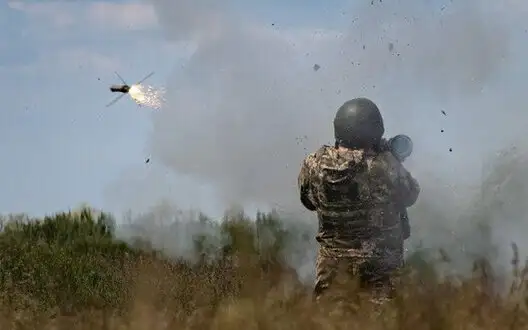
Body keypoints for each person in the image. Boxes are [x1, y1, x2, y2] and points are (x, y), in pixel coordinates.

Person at [297, 97, 420, 304]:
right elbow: (411, 194)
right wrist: (389, 156)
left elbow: (308, 201)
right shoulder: (386, 167)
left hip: (333, 272)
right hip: (380, 272)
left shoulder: (314, 165)